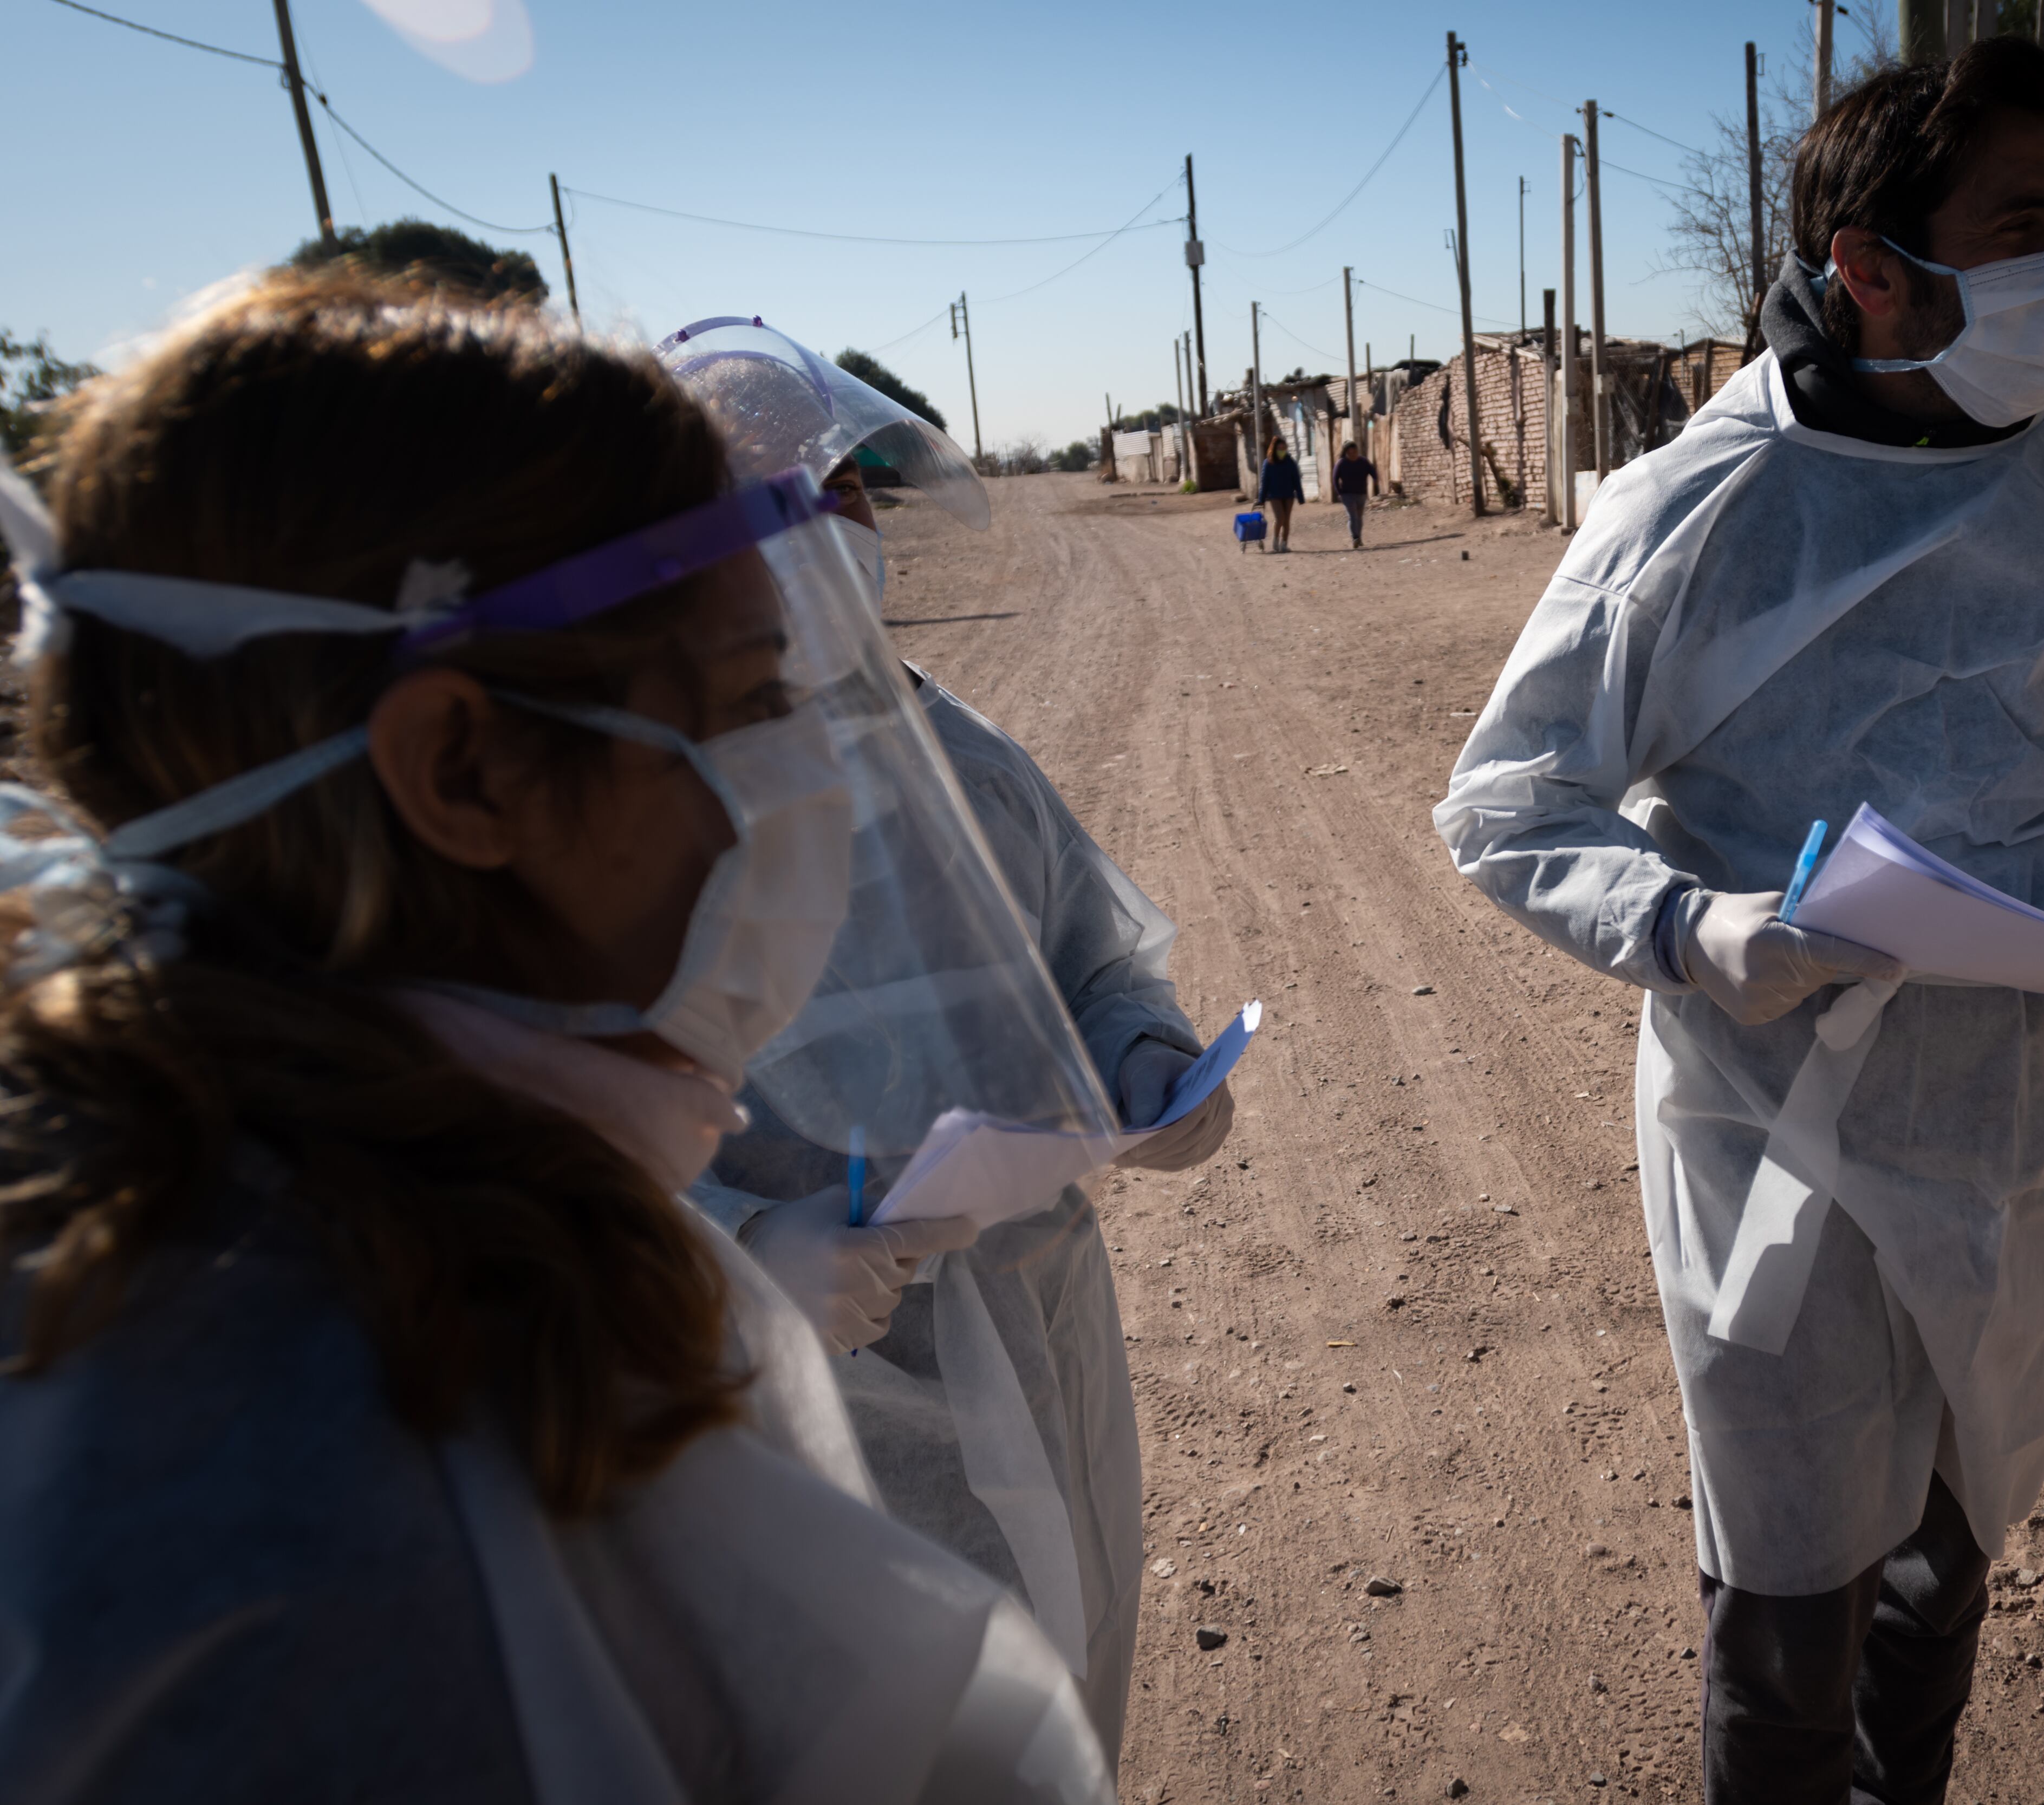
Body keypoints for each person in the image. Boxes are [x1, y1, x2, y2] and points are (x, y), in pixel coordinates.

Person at [0, 276, 1113, 1803]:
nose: (802, 777)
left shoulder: (426, 1217)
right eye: (745, 702)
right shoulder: (310, 1503)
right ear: (462, 770)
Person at [1435, 41, 2044, 1805]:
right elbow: (1509, 798)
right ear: (1873, 270)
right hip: (1783, 1144)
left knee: (1948, 1549)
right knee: (1789, 1599)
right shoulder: (1699, 510)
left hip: (2032, 1135)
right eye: (2025, 223)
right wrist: (1693, 927)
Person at [660, 316, 1234, 1763]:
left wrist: (1148, 1061)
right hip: (827, 1390)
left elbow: (1093, 958)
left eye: (846, 490)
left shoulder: (962, 754)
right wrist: (737, 1246)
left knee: (1079, 1679)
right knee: (896, 1739)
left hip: (1047, 1320)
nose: (835, 529)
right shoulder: (644, 814)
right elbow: (547, 1132)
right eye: (779, 502)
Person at [1257, 432, 1303, 552]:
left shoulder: (1290, 462)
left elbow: (1296, 480)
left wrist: (1300, 496)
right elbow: (1264, 481)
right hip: (1274, 496)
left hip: (1289, 495)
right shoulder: (1268, 463)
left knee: (1287, 520)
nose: (1282, 451)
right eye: (1279, 448)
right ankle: (1276, 540)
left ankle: (1284, 544)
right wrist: (1261, 498)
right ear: (1274, 449)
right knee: (1280, 518)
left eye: (1284, 448)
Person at [1333, 435, 1381, 549]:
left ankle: (1359, 538)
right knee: (1352, 516)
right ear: (1346, 453)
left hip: (1361, 493)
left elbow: (1373, 473)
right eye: (1350, 452)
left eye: (1355, 452)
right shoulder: (1342, 463)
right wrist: (1339, 493)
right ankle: (1355, 537)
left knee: (1359, 517)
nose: (1353, 454)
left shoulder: (1363, 461)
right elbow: (1335, 478)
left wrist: (1376, 481)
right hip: (1347, 494)